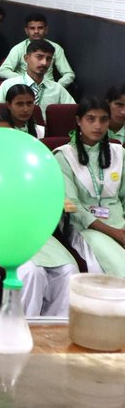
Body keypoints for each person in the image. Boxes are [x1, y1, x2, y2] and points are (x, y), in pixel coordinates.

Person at [56, 99, 125, 277]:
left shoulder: (119, 152)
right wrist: (115, 233)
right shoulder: (64, 155)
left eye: (104, 119)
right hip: (85, 226)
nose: (98, 126)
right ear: (79, 121)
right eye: (91, 119)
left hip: (119, 221)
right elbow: (72, 206)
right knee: (119, 266)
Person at [0, 12, 75, 88]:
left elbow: (69, 74)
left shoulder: (56, 48)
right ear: (26, 30)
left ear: (46, 29)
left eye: (40, 28)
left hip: (48, 88)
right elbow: (3, 71)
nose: (36, 31)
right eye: (32, 28)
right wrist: (24, 79)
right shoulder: (18, 48)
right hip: (25, 89)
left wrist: (57, 87)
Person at [0, 39, 73, 109]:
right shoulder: (9, 85)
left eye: (48, 59)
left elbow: (72, 112)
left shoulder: (57, 89)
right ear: (26, 58)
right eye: (39, 57)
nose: (44, 63)